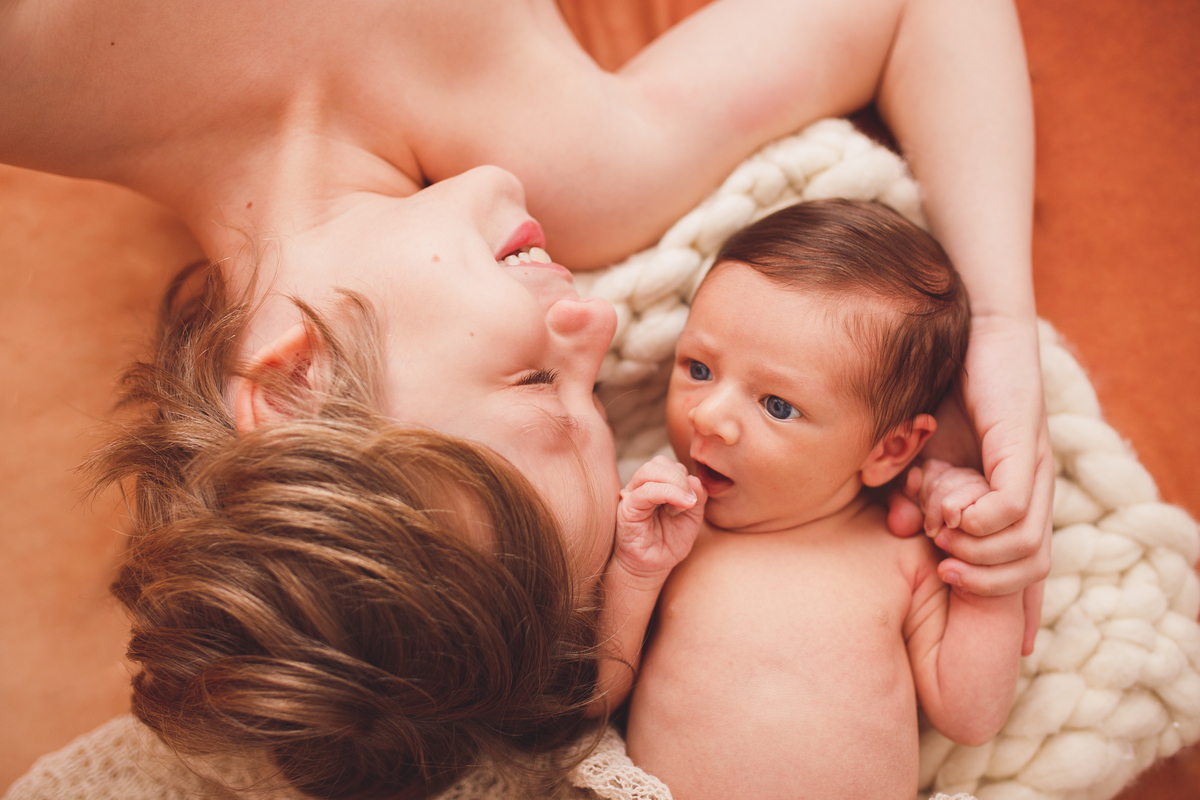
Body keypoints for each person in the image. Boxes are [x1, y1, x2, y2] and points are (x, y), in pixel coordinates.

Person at [0, 0, 1049, 796]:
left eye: (534, 378)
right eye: (585, 393)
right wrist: (996, 329)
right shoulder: (580, 169)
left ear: (292, 379)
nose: (596, 322)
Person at [619, 200, 1025, 798]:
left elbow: (970, 715)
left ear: (889, 449)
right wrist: (632, 573)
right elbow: (592, 695)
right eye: (699, 368)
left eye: (777, 406)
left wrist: (986, 558)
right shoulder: (661, 530)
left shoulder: (902, 553)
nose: (708, 415)